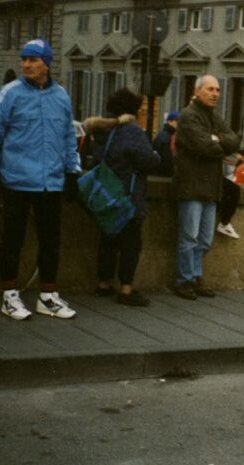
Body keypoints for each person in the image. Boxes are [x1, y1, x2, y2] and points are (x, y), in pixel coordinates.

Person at [0, 39, 81, 320]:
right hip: (17, 180)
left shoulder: (61, 96)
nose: (25, 64)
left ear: (46, 63)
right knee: (12, 241)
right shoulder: (9, 93)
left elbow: (68, 137)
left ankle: (47, 296)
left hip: (51, 182)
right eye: (23, 59)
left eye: (32, 60)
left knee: (51, 241)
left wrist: (73, 171)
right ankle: (9, 297)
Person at [85, 88, 160, 307]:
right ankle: (126, 289)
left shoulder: (101, 130)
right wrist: (155, 155)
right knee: (131, 243)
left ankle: (103, 284)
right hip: (127, 195)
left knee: (108, 241)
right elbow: (149, 161)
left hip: (105, 194)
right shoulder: (131, 131)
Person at [173, 75, 240, 300]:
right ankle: (184, 279)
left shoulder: (213, 117)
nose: (215, 94)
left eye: (218, 90)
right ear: (197, 90)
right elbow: (203, 146)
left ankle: (195, 275)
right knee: (189, 236)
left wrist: (216, 140)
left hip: (211, 186)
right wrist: (218, 142)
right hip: (191, 184)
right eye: (210, 89)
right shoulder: (189, 115)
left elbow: (234, 140)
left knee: (204, 239)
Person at [152, 111, 178, 178]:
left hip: (157, 174)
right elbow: (167, 160)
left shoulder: (163, 134)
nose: (179, 124)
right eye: (177, 121)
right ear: (170, 122)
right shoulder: (166, 137)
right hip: (162, 176)